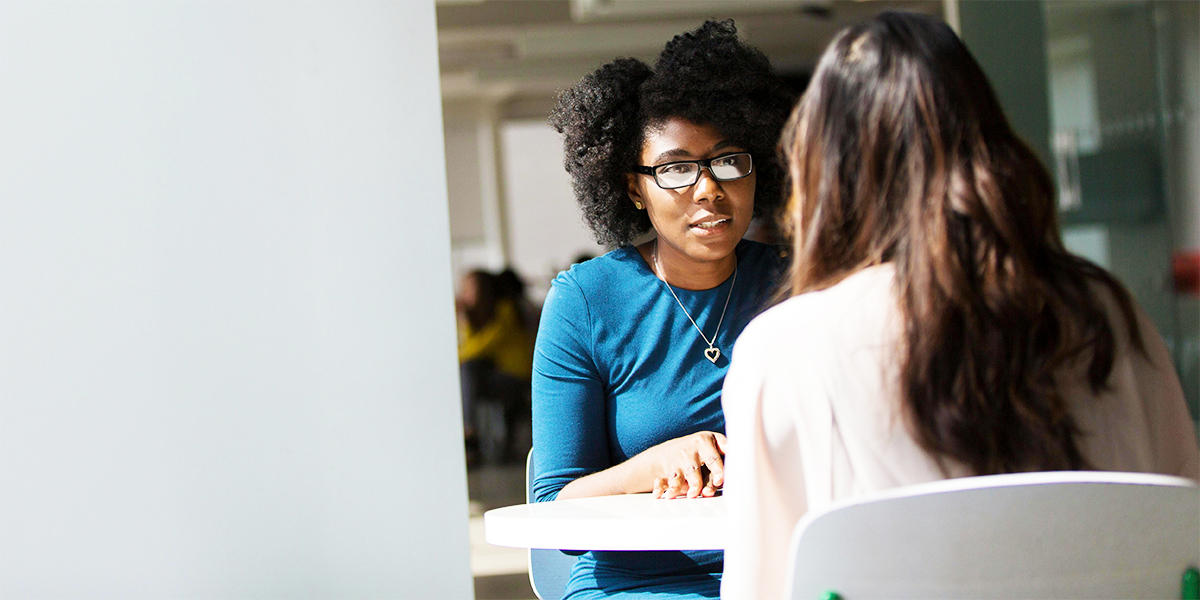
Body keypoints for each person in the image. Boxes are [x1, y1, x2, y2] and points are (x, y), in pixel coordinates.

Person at [719, 12, 1200, 599]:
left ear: (827, 172)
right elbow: (1185, 546)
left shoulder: (785, 350)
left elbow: (761, 588)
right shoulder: (1109, 315)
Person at [533, 20, 793, 599]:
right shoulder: (586, 301)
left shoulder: (795, 282)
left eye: (729, 162)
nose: (709, 189)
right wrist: (654, 466)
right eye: (676, 169)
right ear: (633, 188)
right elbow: (554, 510)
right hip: (638, 585)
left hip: (783, 573)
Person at [456, 269, 533, 464]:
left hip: (515, 377)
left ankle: (469, 433)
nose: (465, 294)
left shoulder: (505, 311)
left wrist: (452, 359)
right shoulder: (478, 317)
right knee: (467, 373)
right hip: (495, 375)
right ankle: (469, 434)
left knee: (467, 371)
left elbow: (480, 347)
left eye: (469, 288)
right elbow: (471, 347)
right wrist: (464, 320)